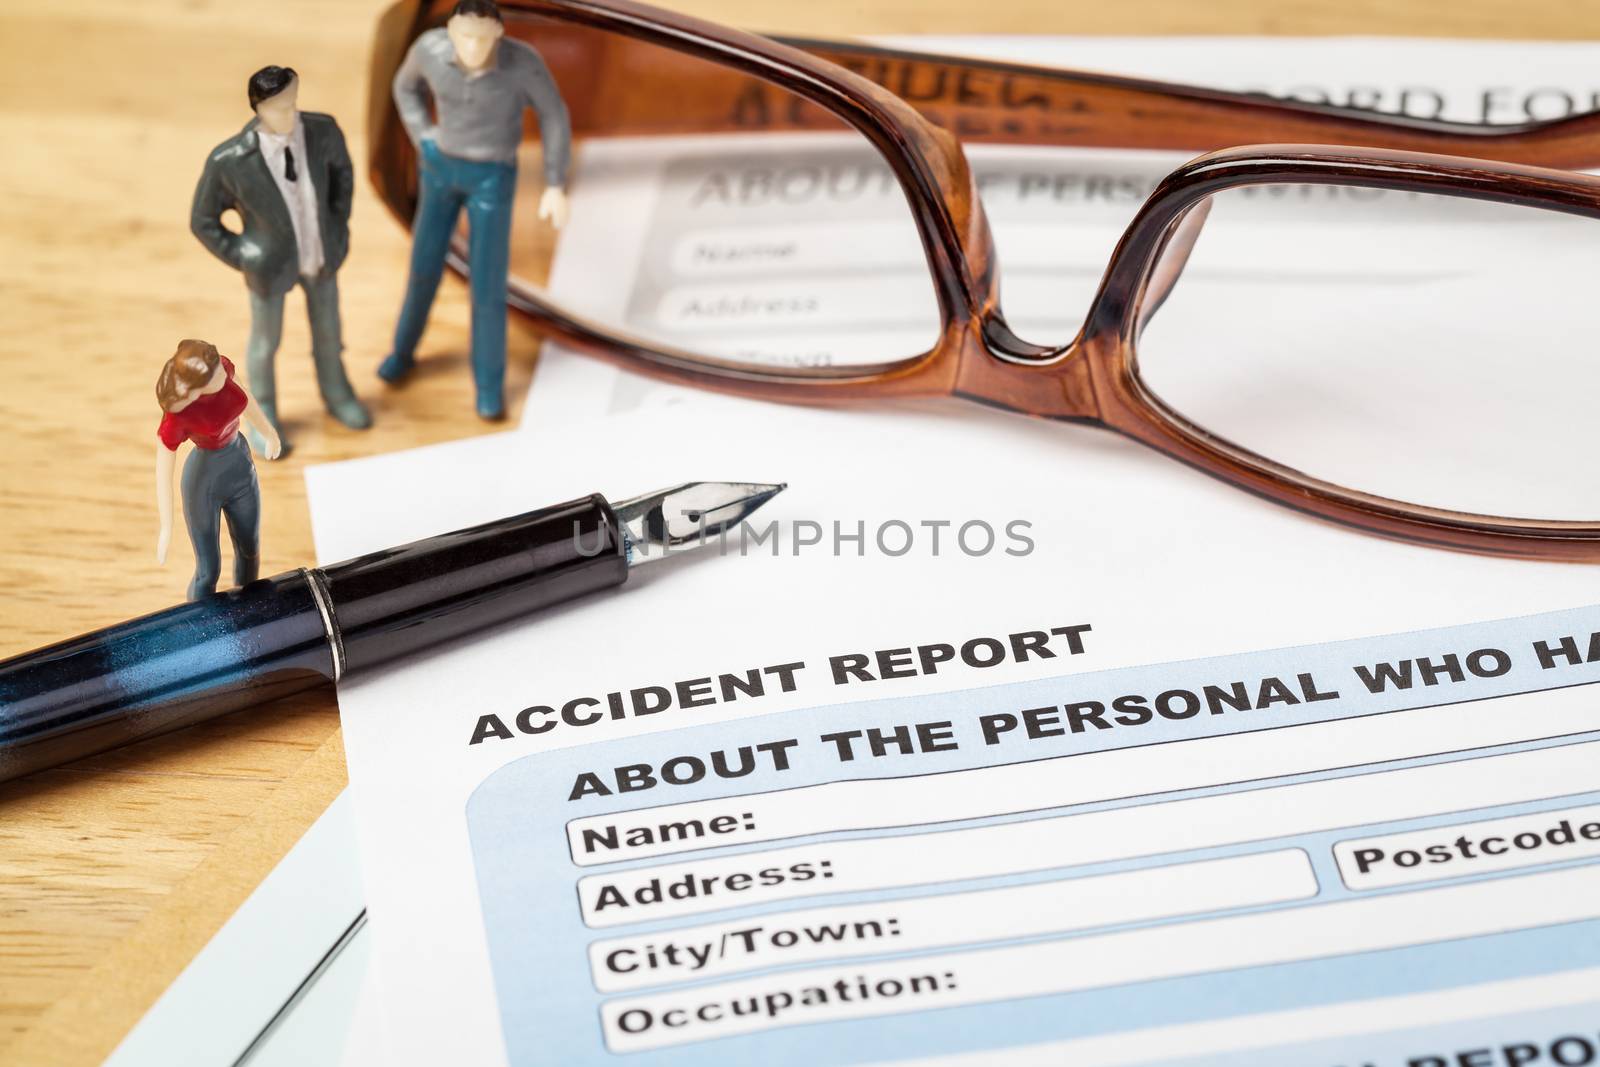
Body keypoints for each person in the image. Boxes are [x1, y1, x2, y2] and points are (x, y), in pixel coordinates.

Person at [379, 0, 572, 419]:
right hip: (438, 168)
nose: (471, 46)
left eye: (482, 38)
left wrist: (556, 182)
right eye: (463, 35)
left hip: (492, 176)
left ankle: (488, 384)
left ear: (498, 35)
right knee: (423, 266)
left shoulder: (522, 64)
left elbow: (554, 115)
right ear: (451, 31)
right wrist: (422, 135)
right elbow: (404, 87)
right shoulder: (430, 50)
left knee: (487, 285)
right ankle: (402, 351)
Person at [191, 65, 370, 456]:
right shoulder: (230, 160)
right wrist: (245, 255)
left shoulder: (322, 131)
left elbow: (343, 176)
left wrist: (336, 227)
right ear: (259, 107)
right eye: (280, 106)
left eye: (293, 102)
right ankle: (264, 411)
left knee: (329, 331)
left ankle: (337, 392)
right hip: (269, 266)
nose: (290, 113)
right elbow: (203, 221)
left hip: (320, 255)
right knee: (265, 340)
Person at [153, 339, 283, 601]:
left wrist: (270, 433)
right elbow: (163, 468)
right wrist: (167, 525)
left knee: (249, 549)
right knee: (208, 569)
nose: (223, 373)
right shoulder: (180, 416)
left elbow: (247, 402)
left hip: (239, 466)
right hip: (203, 483)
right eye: (215, 375)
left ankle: (250, 607)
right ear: (194, 390)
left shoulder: (222, 369)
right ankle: (201, 622)